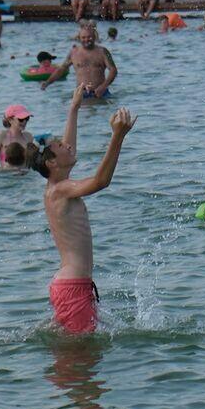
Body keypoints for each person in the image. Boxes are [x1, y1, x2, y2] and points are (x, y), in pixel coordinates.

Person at [31, 85, 138, 334]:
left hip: (74, 284)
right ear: (52, 162)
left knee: (77, 350)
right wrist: (118, 137)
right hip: (73, 286)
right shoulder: (60, 190)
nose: (68, 146)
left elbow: (69, 147)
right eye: (61, 146)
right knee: (78, 355)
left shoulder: (57, 185)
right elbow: (101, 181)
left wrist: (74, 107)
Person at [41, 23, 118, 98]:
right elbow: (61, 69)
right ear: (79, 38)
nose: (86, 40)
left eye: (89, 37)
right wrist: (47, 82)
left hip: (101, 92)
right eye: (83, 37)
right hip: (81, 93)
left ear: (94, 37)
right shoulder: (74, 52)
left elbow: (113, 70)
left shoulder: (103, 51)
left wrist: (103, 86)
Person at [0, 104, 36, 170]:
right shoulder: (1, 135)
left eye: (27, 118)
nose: (25, 122)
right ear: (10, 120)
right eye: (21, 119)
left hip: (25, 174)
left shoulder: (28, 136)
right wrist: (1, 172)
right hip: (7, 174)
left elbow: (33, 161)